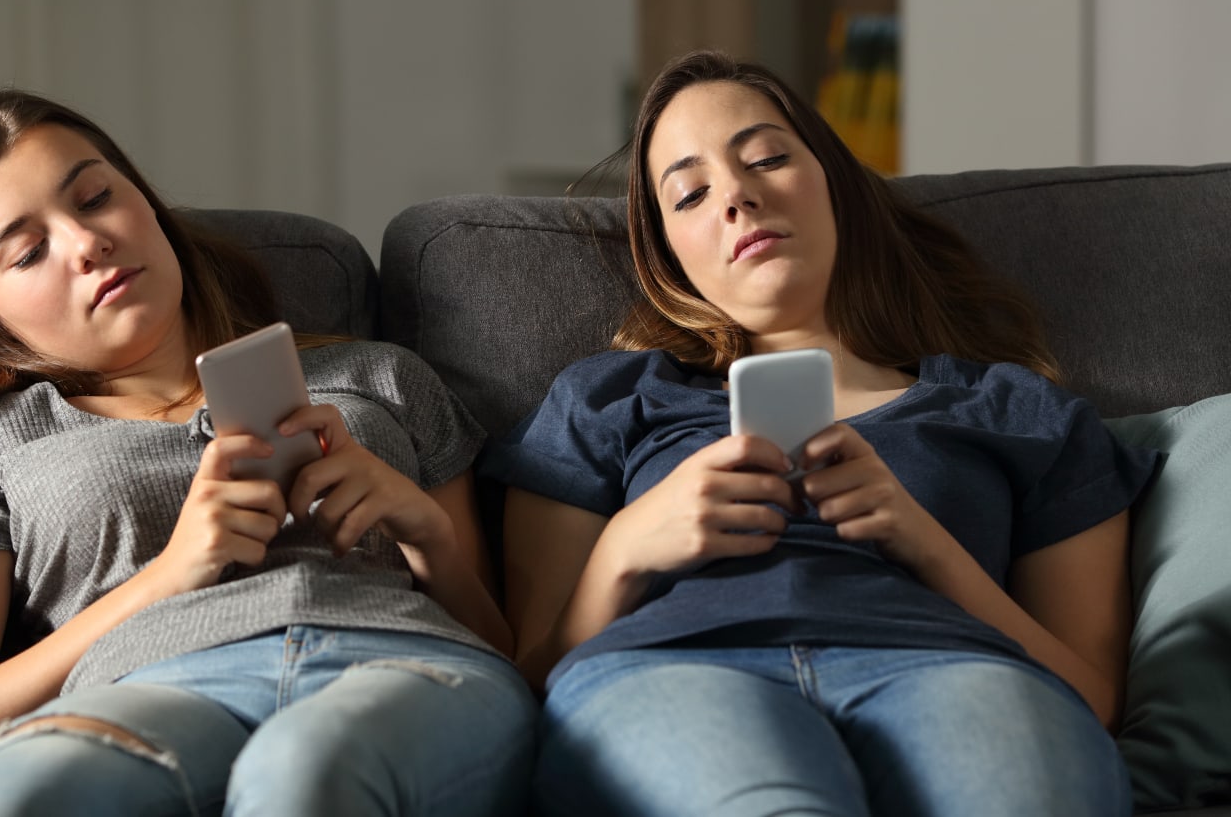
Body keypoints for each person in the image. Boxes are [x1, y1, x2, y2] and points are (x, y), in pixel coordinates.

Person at [485, 49, 1156, 817]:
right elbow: (530, 673)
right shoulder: (606, 399)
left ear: (833, 180)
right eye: (692, 193)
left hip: (951, 667)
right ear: (671, 256)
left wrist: (924, 541)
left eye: (767, 157)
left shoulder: (1017, 409)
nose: (736, 195)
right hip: (673, 671)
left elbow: (1093, 696)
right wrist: (630, 544)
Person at [0, 90, 535, 817]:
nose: (87, 244)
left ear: (146, 205)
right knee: (24, 794)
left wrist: (426, 533)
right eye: (27, 251)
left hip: (402, 664)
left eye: (94, 197)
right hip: (147, 693)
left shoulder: (380, 377)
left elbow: (505, 649)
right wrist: (165, 578)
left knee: (306, 770)